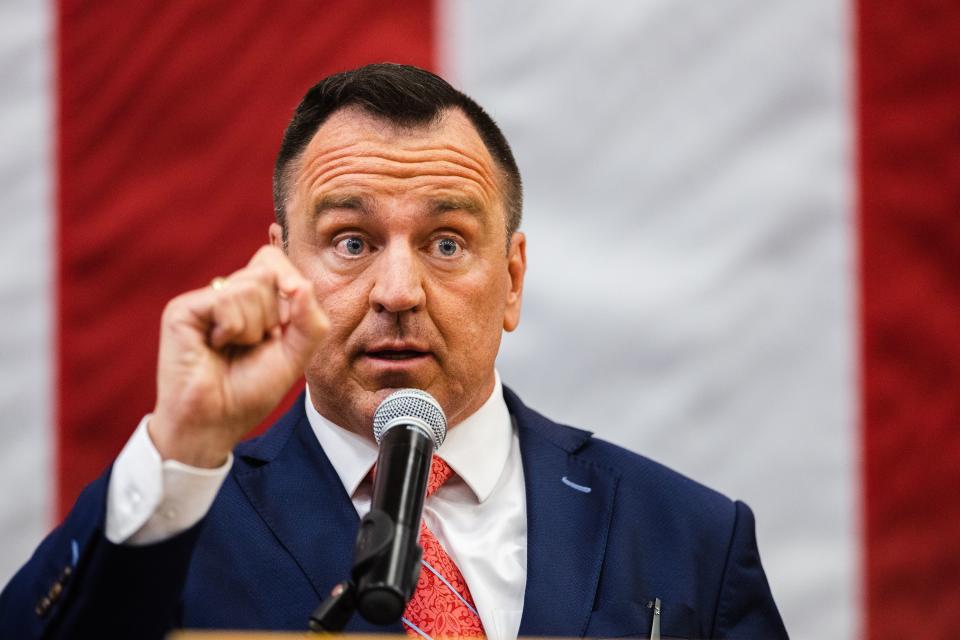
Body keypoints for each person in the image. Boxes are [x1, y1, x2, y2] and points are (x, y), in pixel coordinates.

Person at [0, 63, 788, 639]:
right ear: (282, 268)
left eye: (447, 243)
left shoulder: (691, 538)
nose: (399, 291)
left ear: (511, 281)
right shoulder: (174, 531)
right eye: (351, 241)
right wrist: (184, 442)